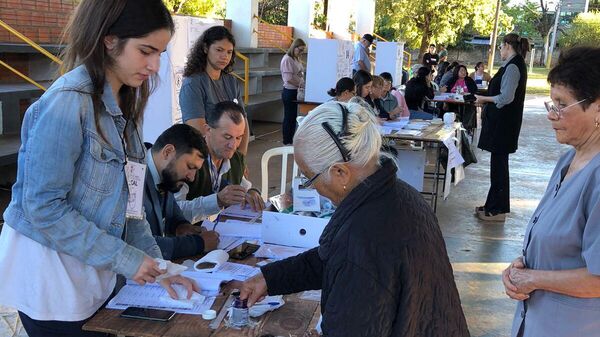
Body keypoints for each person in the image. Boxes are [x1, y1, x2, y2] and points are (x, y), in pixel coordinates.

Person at [0, 1, 198, 336]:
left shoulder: (125, 109)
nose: (153, 66)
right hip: (52, 283)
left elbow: (131, 211)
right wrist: (126, 259)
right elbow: (43, 208)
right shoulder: (67, 103)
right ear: (109, 40)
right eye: (145, 51)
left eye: (160, 54)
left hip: (93, 276)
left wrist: (160, 268)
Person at [239, 101, 470, 337]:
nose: (312, 188)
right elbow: (333, 258)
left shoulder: (363, 238)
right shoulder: (399, 194)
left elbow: (352, 262)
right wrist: (271, 278)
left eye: (310, 178)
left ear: (340, 173)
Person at [502, 46, 600, 337]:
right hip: (536, 322)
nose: (551, 115)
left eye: (561, 104)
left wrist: (533, 278)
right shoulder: (569, 160)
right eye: (551, 103)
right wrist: (520, 270)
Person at [177, 101, 265, 222]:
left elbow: (243, 186)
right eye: (227, 137)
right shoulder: (187, 158)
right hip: (190, 236)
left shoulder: (235, 159)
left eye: (238, 137)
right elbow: (174, 211)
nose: (233, 145)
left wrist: (252, 193)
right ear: (208, 130)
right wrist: (217, 200)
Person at [144, 124, 220, 260]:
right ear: (167, 152)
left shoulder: (165, 173)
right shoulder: (132, 177)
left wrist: (181, 226)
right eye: (190, 167)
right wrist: (198, 243)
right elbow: (138, 243)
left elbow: (172, 213)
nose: (191, 177)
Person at [475, 33, 529, 221]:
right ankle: (493, 204)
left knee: (499, 167)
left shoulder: (514, 66)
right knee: (497, 166)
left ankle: (497, 209)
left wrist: (484, 99)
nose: (499, 51)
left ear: (507, 46)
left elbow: (506, 97)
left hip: (504, 126)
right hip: (502, 124)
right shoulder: (512, 64)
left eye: (500, 47)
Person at [179, 25, 249, 142]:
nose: (224, 56)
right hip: (204, 155)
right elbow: (199, 131)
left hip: (231, 152)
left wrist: (239, 156)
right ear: (206, 48)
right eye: (219, 50)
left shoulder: (231, 81)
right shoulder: (193, 84)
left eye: (229, 52)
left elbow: (243, 122)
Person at [280, 38, 306, 145]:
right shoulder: (287, 59)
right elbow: (288, 78)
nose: (301, 52)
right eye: (300, 50)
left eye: (302, 51)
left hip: (295, 90)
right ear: (294, 47)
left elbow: (298, 73)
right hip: (289, 91)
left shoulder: (296, 58)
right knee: (289, 117)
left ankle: (290, 139)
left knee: (292, 117)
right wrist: (300, 83)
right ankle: (287, 141)